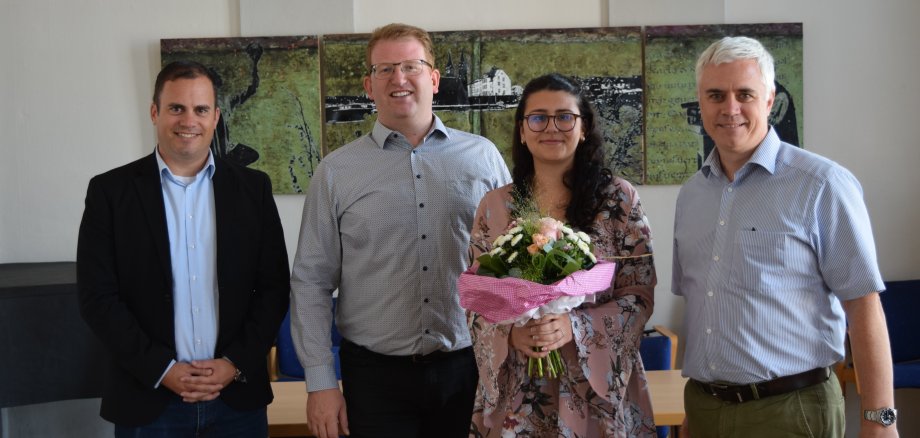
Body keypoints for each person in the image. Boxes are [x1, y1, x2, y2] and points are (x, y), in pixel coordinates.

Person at [289, 23, 511, 438]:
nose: (399, 79)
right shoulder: (336, 172)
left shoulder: (482, 158)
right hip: (374, 380)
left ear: (434, 78)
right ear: (368, 85)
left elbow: (512, 264)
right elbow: (311, 283)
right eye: (385, 69)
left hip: (470, 369)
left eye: (411, 66)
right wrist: (320, 382)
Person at [672, 36, 898, 437]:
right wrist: (698, 410)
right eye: (716, 95)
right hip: (705, 409)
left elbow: (864, 307)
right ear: (700, 101)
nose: (730, 109)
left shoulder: (822, 184)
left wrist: (880, 421)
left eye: (745, 94)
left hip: (792, 412)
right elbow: (703, 308)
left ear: (770, 99)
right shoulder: (691, 195)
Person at [77, 60, 290, 436]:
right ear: (155, 112)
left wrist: (234, 363)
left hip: (236, 400)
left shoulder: (253, 189)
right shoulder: (110, 192)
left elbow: (273, 289)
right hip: (148, 401)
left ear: (215, 116)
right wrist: (162, 369)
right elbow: (98, 298)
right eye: (176, 108)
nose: (188, 120)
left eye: (200, 109)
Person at [467, 73, 658, 437]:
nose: (551, 127)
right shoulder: (495, 206)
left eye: (565, 117)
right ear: (522, 131)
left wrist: (575, 327)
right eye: (538, 117)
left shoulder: (618, 199)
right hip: (520, 387)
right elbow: (477, 298)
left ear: (583, 127)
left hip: (595, 390)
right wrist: (509, 334)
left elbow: (640, 293)